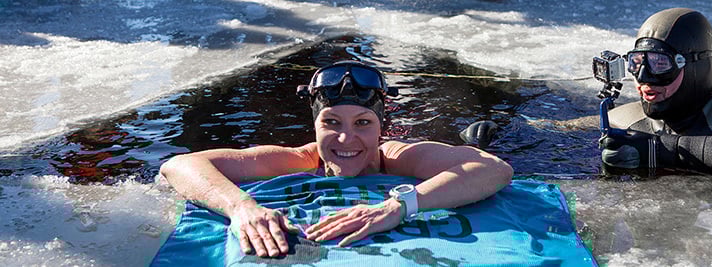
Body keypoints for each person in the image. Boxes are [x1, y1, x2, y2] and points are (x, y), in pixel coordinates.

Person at [159, 60, 514, 258]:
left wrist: (399, 206)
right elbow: (179, 166)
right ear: (314, 125)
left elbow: (495, 169)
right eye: (331, 123)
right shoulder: (299, 159)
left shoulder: (398, 157)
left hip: (437, 154)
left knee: (482, 140)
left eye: (363, 123)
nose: (346, 139)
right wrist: (241, 207)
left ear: (381, 127)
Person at [599, 8, 712, 181]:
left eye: (660, 63)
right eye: (637, 62)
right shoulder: (629, 119)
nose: (644, 78)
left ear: (696, 68)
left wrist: (662, 151)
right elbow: (578, 129)